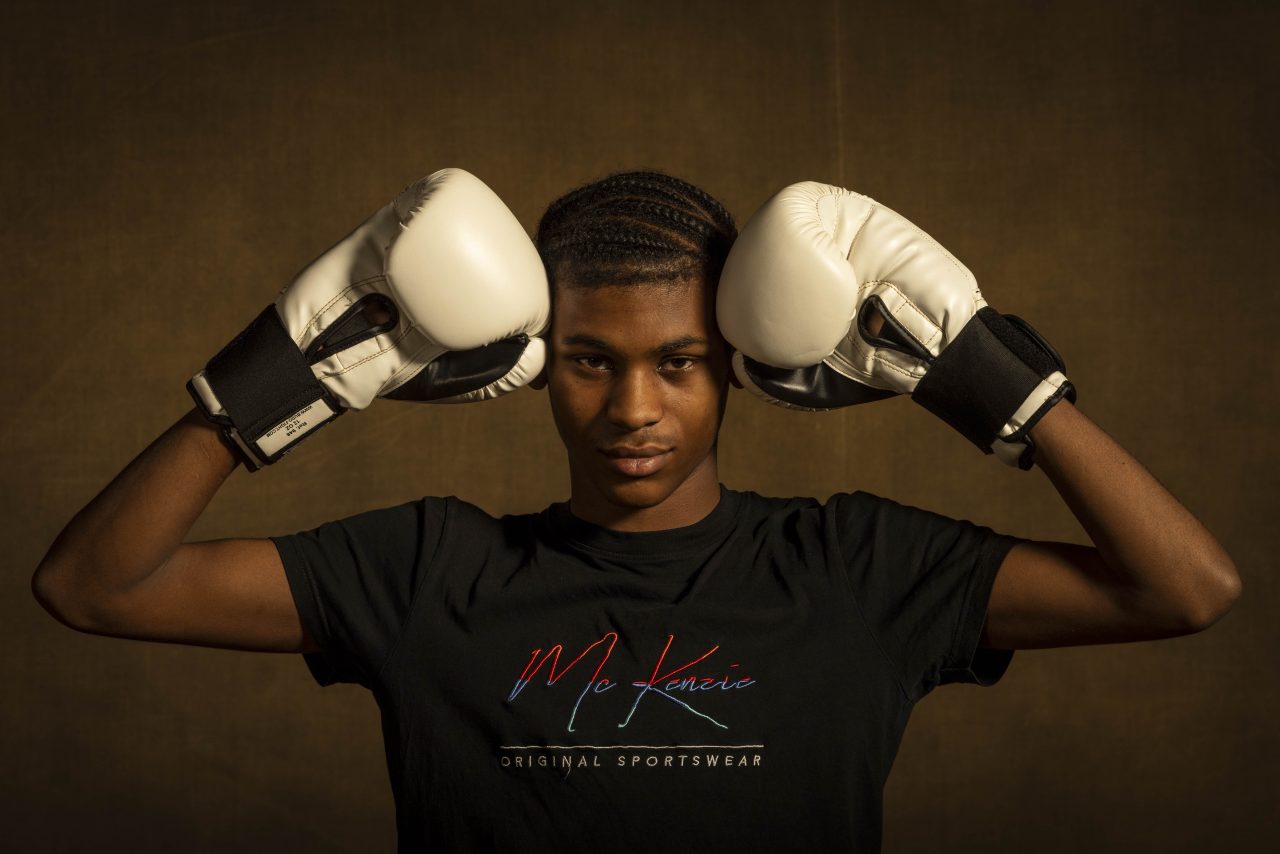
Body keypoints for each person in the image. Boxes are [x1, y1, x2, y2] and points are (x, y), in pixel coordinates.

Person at [32, 167, 1241, 852]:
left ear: (738, 367)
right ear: (526, 366)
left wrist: (989, 374)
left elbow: (1184, 586)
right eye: (588, 360)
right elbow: (92, 583)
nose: (632, 407)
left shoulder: (854, 566)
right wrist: (280, 381)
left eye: (678, 361)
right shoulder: (428, 567)